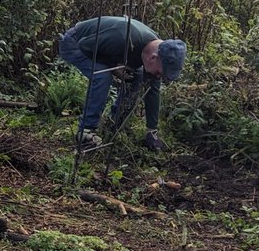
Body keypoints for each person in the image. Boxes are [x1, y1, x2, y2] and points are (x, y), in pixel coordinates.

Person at [59, 15, 187, 152]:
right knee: (102, 75)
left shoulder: (158, 51)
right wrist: (114, 66)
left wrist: (152, 130)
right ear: (153, 58)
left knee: (137, 77)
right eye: (161, 73)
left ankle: (115, 124)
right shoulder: (124, 38)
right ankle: (86, 132)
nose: (160, 76)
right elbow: (85, 45)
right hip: (75, 42)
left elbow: (153, 90)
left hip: (100, 47)